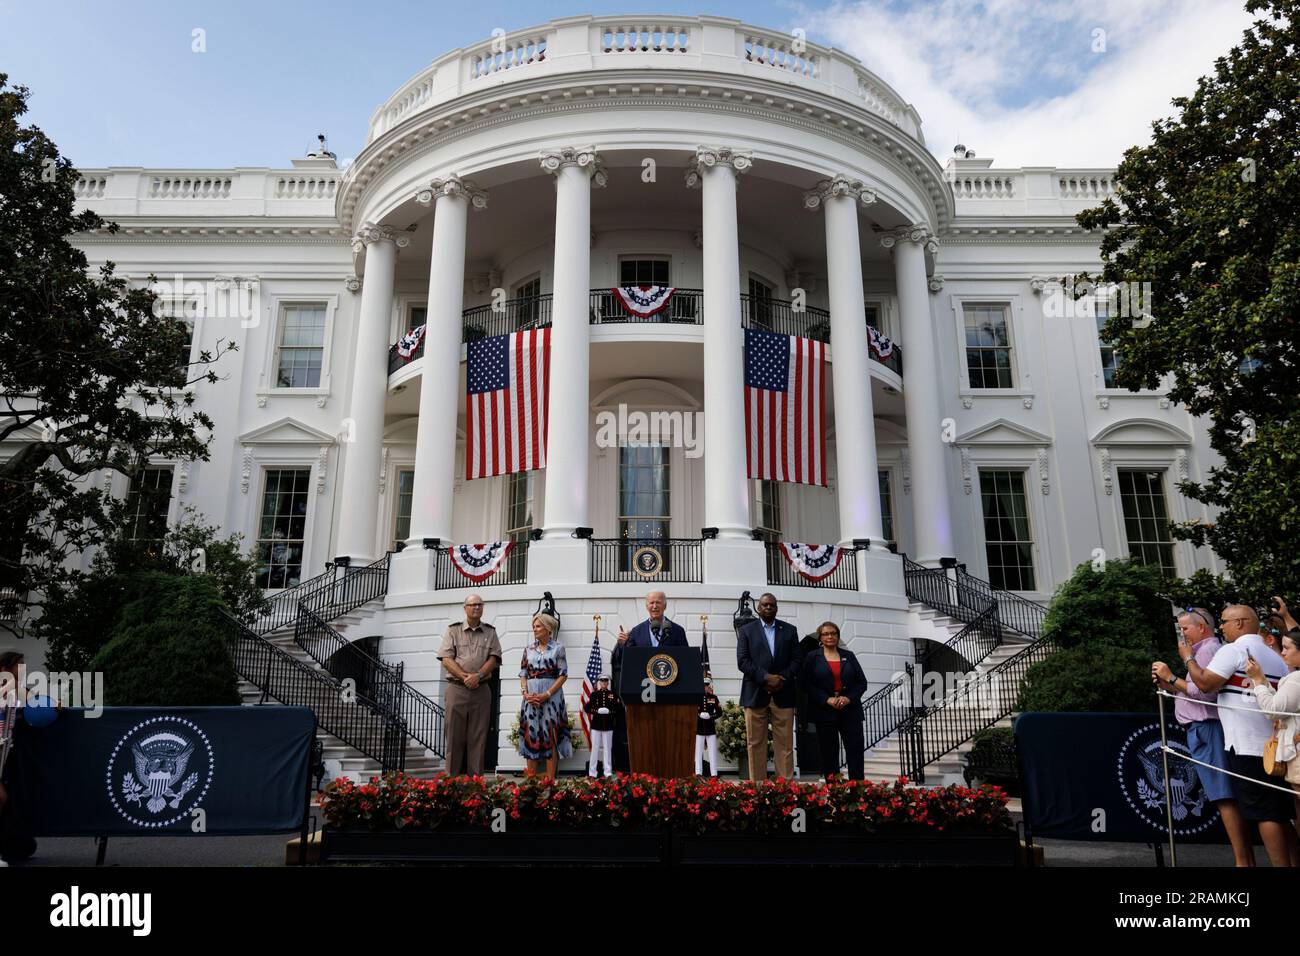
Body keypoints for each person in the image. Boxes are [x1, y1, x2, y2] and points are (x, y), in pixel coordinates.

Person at [1184, 604, 1294, 867]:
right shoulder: (1275, 656)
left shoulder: (1232, 651)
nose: (1220, 627)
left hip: (1247, 744)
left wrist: (1187, 657)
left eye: (1224, 622)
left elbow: (1206, 684)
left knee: (1266, 814)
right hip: (1276, 743)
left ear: (1241, 623)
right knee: (1280, 811)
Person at [1152, 609, 1251, 865]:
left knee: (1223, 795)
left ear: (1202, 628)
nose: (1182, 635)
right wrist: (1170, 685)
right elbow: (1194, 690)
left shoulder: (1206, 650)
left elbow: (1206, 693)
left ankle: (1243, 861)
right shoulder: (1202, 651)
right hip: (1202, 728)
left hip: (1206, 726)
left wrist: (1172, 676)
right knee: (1222, 794)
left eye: (1185, 629)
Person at [610, 591, 688, 771]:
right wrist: (621, 646)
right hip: (645, 692)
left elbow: (685, 660)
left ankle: (668, 769)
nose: (655, 606)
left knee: (667, 733)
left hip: (670, 691)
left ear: (665, 605)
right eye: (651, 603)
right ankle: (645, 770)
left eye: (658, 602)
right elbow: (625, 662)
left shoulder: (676, 631)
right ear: (646, 606)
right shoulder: (636, 632)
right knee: (646, 733)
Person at [736, 592, 800, 781]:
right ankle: (757, 787)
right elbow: (743, 661)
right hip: (755, 692)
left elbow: (797, 660)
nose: (768, 608)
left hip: (784, 692)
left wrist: (780, 679)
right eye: (764, 605)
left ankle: (785, 787)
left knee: (785, 743)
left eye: (772, 605)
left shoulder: (790, 630)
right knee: (755, 742)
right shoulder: (747, 630)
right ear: (758, 608)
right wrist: (765, 678)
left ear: (776, 608)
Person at [437, 594, 502, 777]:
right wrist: (465, 676)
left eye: (480, 605)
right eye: (472, 605)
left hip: (481, 690)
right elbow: (446, 658)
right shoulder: (453, 631)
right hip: (456, 688)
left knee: (478, 738)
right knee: (454, 737)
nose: (476, 608)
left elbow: (494, 658)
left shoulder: (490, 632)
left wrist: (478, 676)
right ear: (465, 608)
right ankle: (452, 782)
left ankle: (476, 782)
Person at [801, 621, 868, 780]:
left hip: (850, 711)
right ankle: (834, 792)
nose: (830, 636)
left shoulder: (849, 656)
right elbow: (806, 683)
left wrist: (848, 698)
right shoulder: (812, 657)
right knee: (829, 754)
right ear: (820, 637)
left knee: (855, 752)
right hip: (824, 712)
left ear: (837, 636)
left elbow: (861, 682)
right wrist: (826, 699)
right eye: (826, 634)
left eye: (833, 633)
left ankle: (856, 791)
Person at [518, 612, 571, 778]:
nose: (535, 629)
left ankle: (550, 781)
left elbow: (563, 675)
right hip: (530, 697)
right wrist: (525, 694)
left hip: (551, 697)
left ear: (548, 629)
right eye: (533, 626)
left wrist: (547, 694)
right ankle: (531, 781)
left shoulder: (558, 649)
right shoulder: (528, 649)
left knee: (550, 736)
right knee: (530, 735)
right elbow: (523, 673)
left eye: (538, 626)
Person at [584, 675, 620, 778]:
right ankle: (592, 772)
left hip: (608, 725)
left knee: (608, 749)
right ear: (599, 682)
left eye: (606, 681)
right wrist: (597, 711)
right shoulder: (594, 694)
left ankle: (607, 772)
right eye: (602, 681)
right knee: (594, 748)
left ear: (608, 683)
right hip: (596, 725)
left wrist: (610, 711)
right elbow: (587, 707)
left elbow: (618, 709)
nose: (604, 683)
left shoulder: (613, 694)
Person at [695, 676, 722, 777]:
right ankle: (698, 773)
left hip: (710, 728)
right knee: (698, 752)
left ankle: (714, 774)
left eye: (707, 685)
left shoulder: (713, 698)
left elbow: (720, 712)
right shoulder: (696, 697)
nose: (705, 687)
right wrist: (699, 714)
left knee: (712, 752)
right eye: (703, 685)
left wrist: (711, 716)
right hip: (699, 728)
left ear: (709, 686)